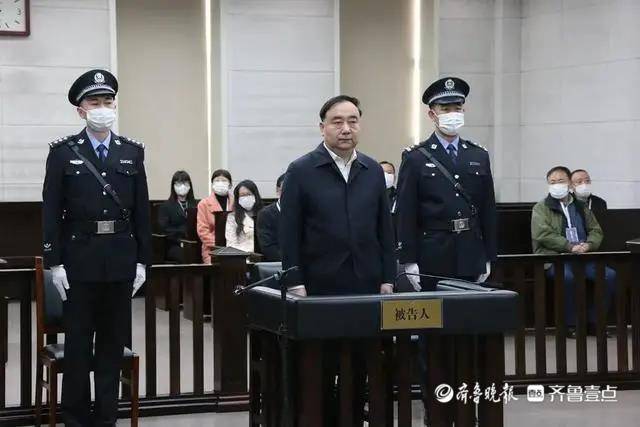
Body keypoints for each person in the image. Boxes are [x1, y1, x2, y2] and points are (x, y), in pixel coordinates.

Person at [41, 69, 151, 426]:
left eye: (108, 101)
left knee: (110, 346)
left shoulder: (132, 152)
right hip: (78, 262)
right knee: (77, 347)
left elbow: (141, 211)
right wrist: (54, 262)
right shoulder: (62, 153)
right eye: (94, 102)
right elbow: (50, 211)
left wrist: (142, 262)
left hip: (119, 261)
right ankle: (75, 419)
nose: (102, 108)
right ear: (81, 110)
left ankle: (106, 418)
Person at [280, 95, 395, 426]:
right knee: (321, 365)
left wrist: (388, 277)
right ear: (322, 128)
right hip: (320, 286)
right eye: (337, 121)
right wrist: (295, 281)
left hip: (366, 284)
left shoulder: (372, 170)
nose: (346, 128)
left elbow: (384, 229)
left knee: (360, 364)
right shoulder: (301, 170)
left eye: (353, 121)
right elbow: (289, 233)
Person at [394, 77, 497, 426]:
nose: (453, 113)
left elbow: (488, 210)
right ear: (432, 114)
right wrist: (408, 259)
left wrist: (489, 255)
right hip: (431, 256)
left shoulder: (477, 154)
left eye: (458, 107)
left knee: (469, 334)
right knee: (433, 338)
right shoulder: (416, 157)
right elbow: (406, 212)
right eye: (445, 108)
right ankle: (436, 410)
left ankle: (466, 407)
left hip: (469, 253)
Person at [532, 166, 616, 338]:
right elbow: (542, 234)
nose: (556, 185)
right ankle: (570, 325)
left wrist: (589, 245)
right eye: (552, 182)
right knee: (567, 278)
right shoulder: (541, 207)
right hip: (555, 258)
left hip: (582, 257)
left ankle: (595, 322)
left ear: (569, 183)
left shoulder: (580, 206)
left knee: (609, 276)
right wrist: (568, 246)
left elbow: (596, 230)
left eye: (560, 181)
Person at [158, 170, 198, 262]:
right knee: (186, 255)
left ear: (190, 186)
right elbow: (164, 229)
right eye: (179, 183)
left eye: (185, 183)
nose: (182, 186)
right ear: (173, 186)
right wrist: (182, 232)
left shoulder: (196, 204)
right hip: (175, 244)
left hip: (194, 243)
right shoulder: (166, 206)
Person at [196, 169, 233, 263]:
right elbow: (202, 231)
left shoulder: (236, 203)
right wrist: (220, 245)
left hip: (234, 248)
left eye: (224, 180)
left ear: (230, 184)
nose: (220, 183)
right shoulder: (204, 204)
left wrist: (232, 246)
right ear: (212, 184)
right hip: (212, 249)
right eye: (217, 180)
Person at [225, 180, 264, 253]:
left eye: (249, 194)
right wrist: (250, 250)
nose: (246, 198)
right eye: (242, 195)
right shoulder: (232, 218)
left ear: (255, 195)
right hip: (242, 257)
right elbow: (230, 245)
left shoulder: (265, 214)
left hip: (264, 256)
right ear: (238, 199)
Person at [256, 174, 285, 261]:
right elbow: (268, 247)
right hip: (278, 264)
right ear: (278, 190)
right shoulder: (265, 214)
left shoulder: (304, 212)